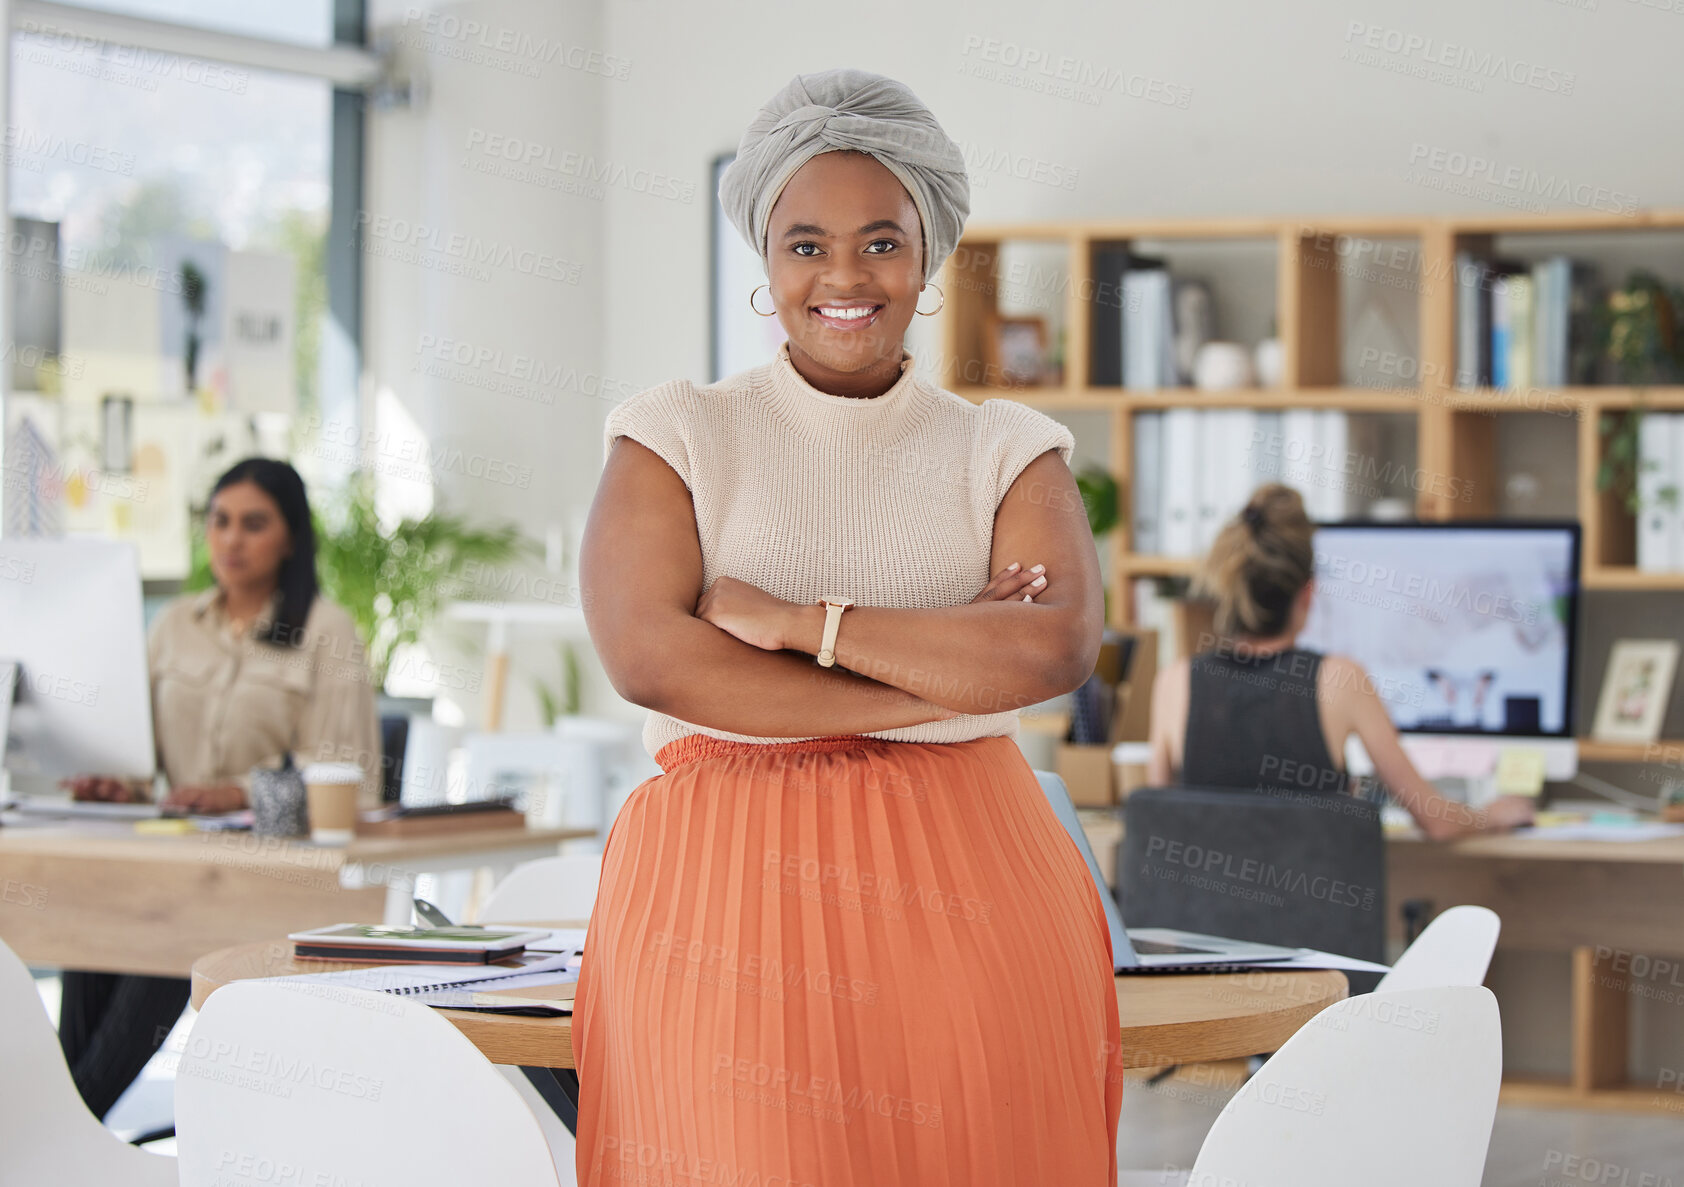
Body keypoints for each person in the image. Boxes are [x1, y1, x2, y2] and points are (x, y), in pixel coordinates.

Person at [574, 69, 1122, 1186]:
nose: (842, 276)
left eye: (880, 241)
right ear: (765, 260)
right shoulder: (674, 433)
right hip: (719, 900)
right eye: (805, 243)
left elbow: (1051, 644)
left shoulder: (1005, 447)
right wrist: (942, 672)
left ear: (927, 257)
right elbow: (651, 657)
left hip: (978, 895)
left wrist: (790, 622)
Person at [60, 457, 380, 1122]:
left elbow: (353, 781)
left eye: (254, 524)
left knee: (157, 932)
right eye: (221, 521)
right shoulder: (175, 624)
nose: (232, 539)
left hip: (265, 876)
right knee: (90, 924)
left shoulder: (327, 631)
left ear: (290, 537)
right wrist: (118, 783)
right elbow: (143, 759)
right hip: (167, 859)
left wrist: (237, 792)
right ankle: (62, 1132)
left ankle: (61, 1133)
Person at [1147, 483, 1536, 839]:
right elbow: (1436, 821)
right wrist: (1494, 815)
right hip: (1312, 913)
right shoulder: (1340, 680)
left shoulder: (1174, 682)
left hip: (1197, 916)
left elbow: (1158, 829)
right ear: (1308, 594)